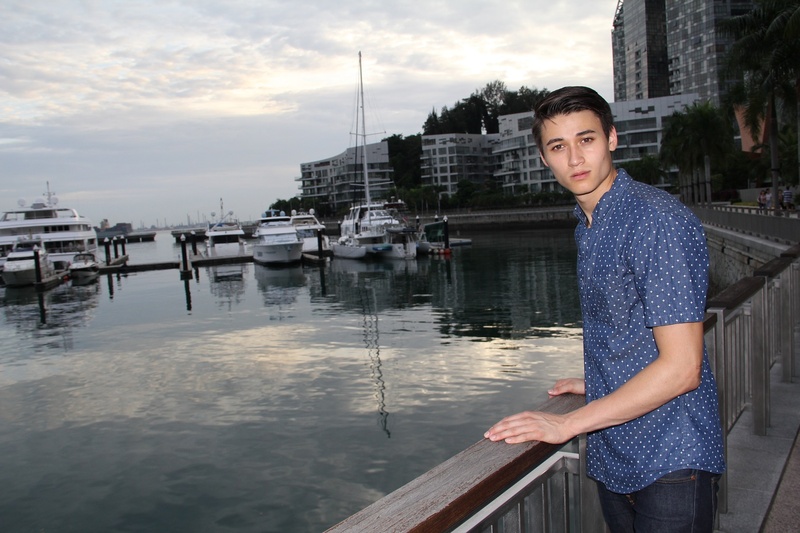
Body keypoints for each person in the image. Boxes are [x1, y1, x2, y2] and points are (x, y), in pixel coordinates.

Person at [484, 86, 726, 532]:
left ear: (612, 138)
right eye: (559, 146)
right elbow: (631, 326)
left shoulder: (655, 220)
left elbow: (682, 368)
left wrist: (565, 425)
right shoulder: (590, 223)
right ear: (543, 158)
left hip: (671, 455)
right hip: (617, 452)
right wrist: (601, 377)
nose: (575, 158)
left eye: (587, 139)